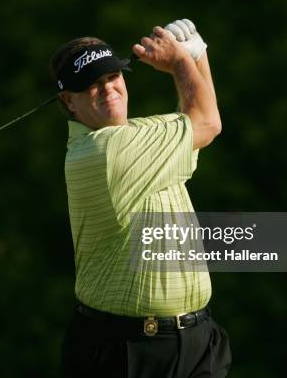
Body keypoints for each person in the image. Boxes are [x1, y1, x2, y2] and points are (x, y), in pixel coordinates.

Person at [53, 20, 232, 378]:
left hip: (197, 341)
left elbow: (194, 119)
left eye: (111, 77)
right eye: (91, 85)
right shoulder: (101, 153)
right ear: (67, 101)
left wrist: (197, 56)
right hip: (126, 351)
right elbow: (207, 122)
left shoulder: (137, 135)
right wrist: (183, 62)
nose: (107, 89)